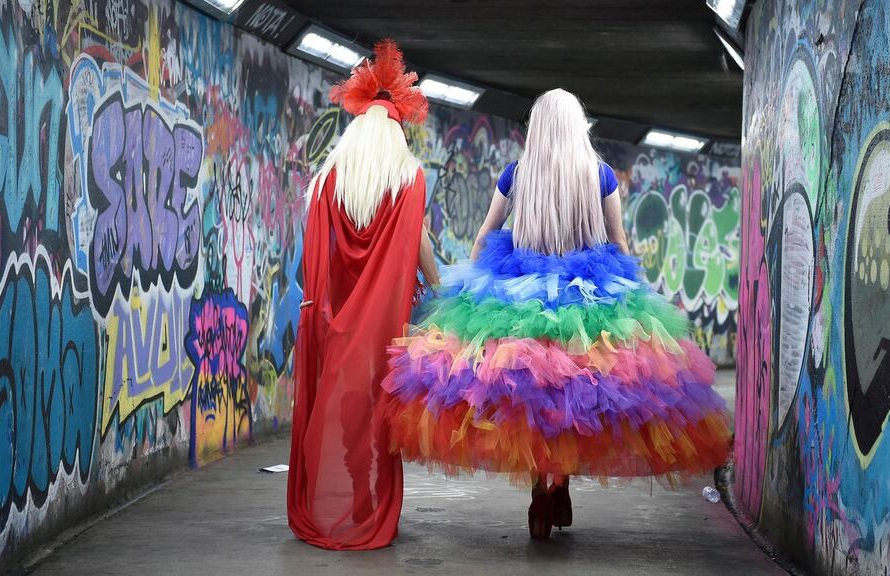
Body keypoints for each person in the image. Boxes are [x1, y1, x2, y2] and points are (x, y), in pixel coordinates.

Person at [380, 88, 732, 539]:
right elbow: (618, 241)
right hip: (587, 298)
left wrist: (470, 284)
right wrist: (635, 294)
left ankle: (538, 493)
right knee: (573, 395)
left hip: (518, 293)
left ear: (538, 129)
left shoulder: (516, 175)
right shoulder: (599, 175)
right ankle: (561, 483)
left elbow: (487, 234)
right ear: (576, 127)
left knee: (528, 395)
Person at [287, 39, 439, 550]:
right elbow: (418, 250)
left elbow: (317, 255)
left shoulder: (330, 180)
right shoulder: (407, 178)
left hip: (335, 323)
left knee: (346, 416)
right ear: (396, 132)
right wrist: (442, 291)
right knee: (381, 420)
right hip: (385, 330)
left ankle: (353, 497)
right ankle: (371, 507)